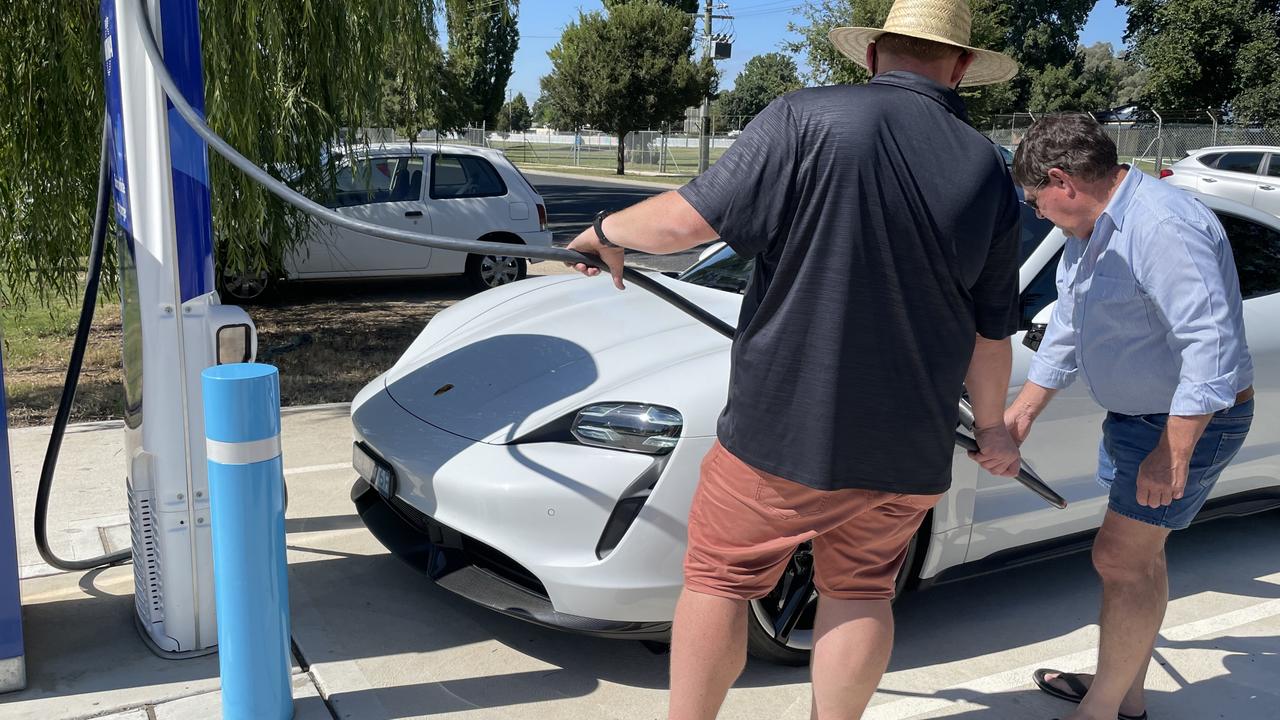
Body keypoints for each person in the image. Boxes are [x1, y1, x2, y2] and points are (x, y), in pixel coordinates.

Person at [565, 1, 1022, 717]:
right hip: (909, 446)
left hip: (784, 435)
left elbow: (685, 221)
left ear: (872, 55)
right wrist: (993, 429)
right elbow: (991, 334)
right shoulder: (991, 171)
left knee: (719, 579)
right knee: (864, 589)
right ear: (962, 68)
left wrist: (602, 229)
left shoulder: (806, 117)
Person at [1006, 114, 1254, 720]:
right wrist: (1021, 415)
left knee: (1119, 559)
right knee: (1141, 559)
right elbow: (1068, 324)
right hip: (1136, 419)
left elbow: (1210, 347)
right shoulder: (1087, 232)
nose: (1038, 214)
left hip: (1183, 424)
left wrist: (1172, 451)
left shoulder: (1162, 225)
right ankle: (1125, 695)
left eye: (1037, 200)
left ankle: (1104, 709)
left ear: (1062, 181)